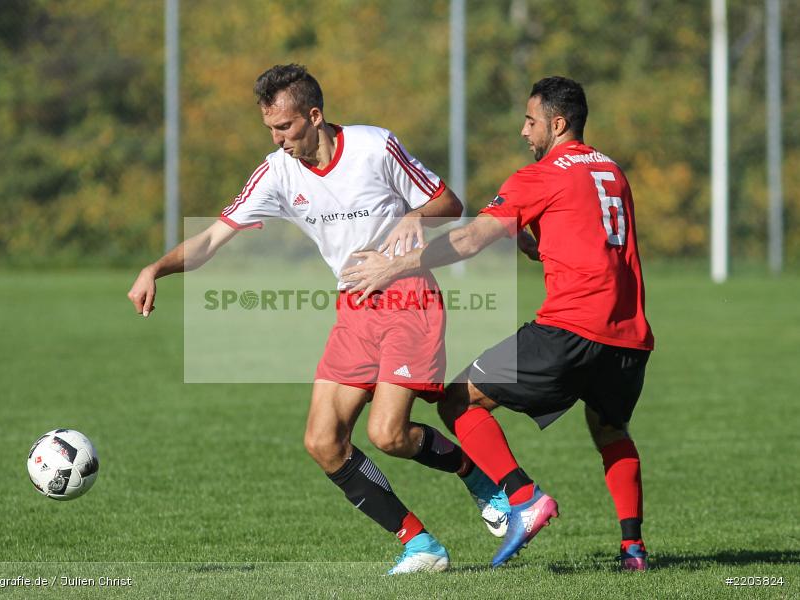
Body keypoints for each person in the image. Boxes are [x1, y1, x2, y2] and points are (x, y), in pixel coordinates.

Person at [127, 64, 510, 574]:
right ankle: (419, 544)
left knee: (388, 435)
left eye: (285, 127)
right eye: (269, 129)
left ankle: (478, 477)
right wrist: (156, 268)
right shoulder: (276, 172)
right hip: (353, 307)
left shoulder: (375, 147)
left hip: (407, 296)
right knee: (322, 441)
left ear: (314, 115)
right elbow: (211, 239)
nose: (278, 139)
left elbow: (449, 203)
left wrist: (416, 215)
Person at [342, 76, 654, 571]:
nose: (523, 131)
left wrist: (397, 265)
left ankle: (523, 496)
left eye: (531, 121)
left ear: (557, 123)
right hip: (630, 335)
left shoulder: (540, 175)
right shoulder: (611, 170)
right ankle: (633, 549)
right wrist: (532, 237)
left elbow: (469, 240)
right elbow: (580, 226)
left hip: (571, 327)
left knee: (458, 398)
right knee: (611, 432)